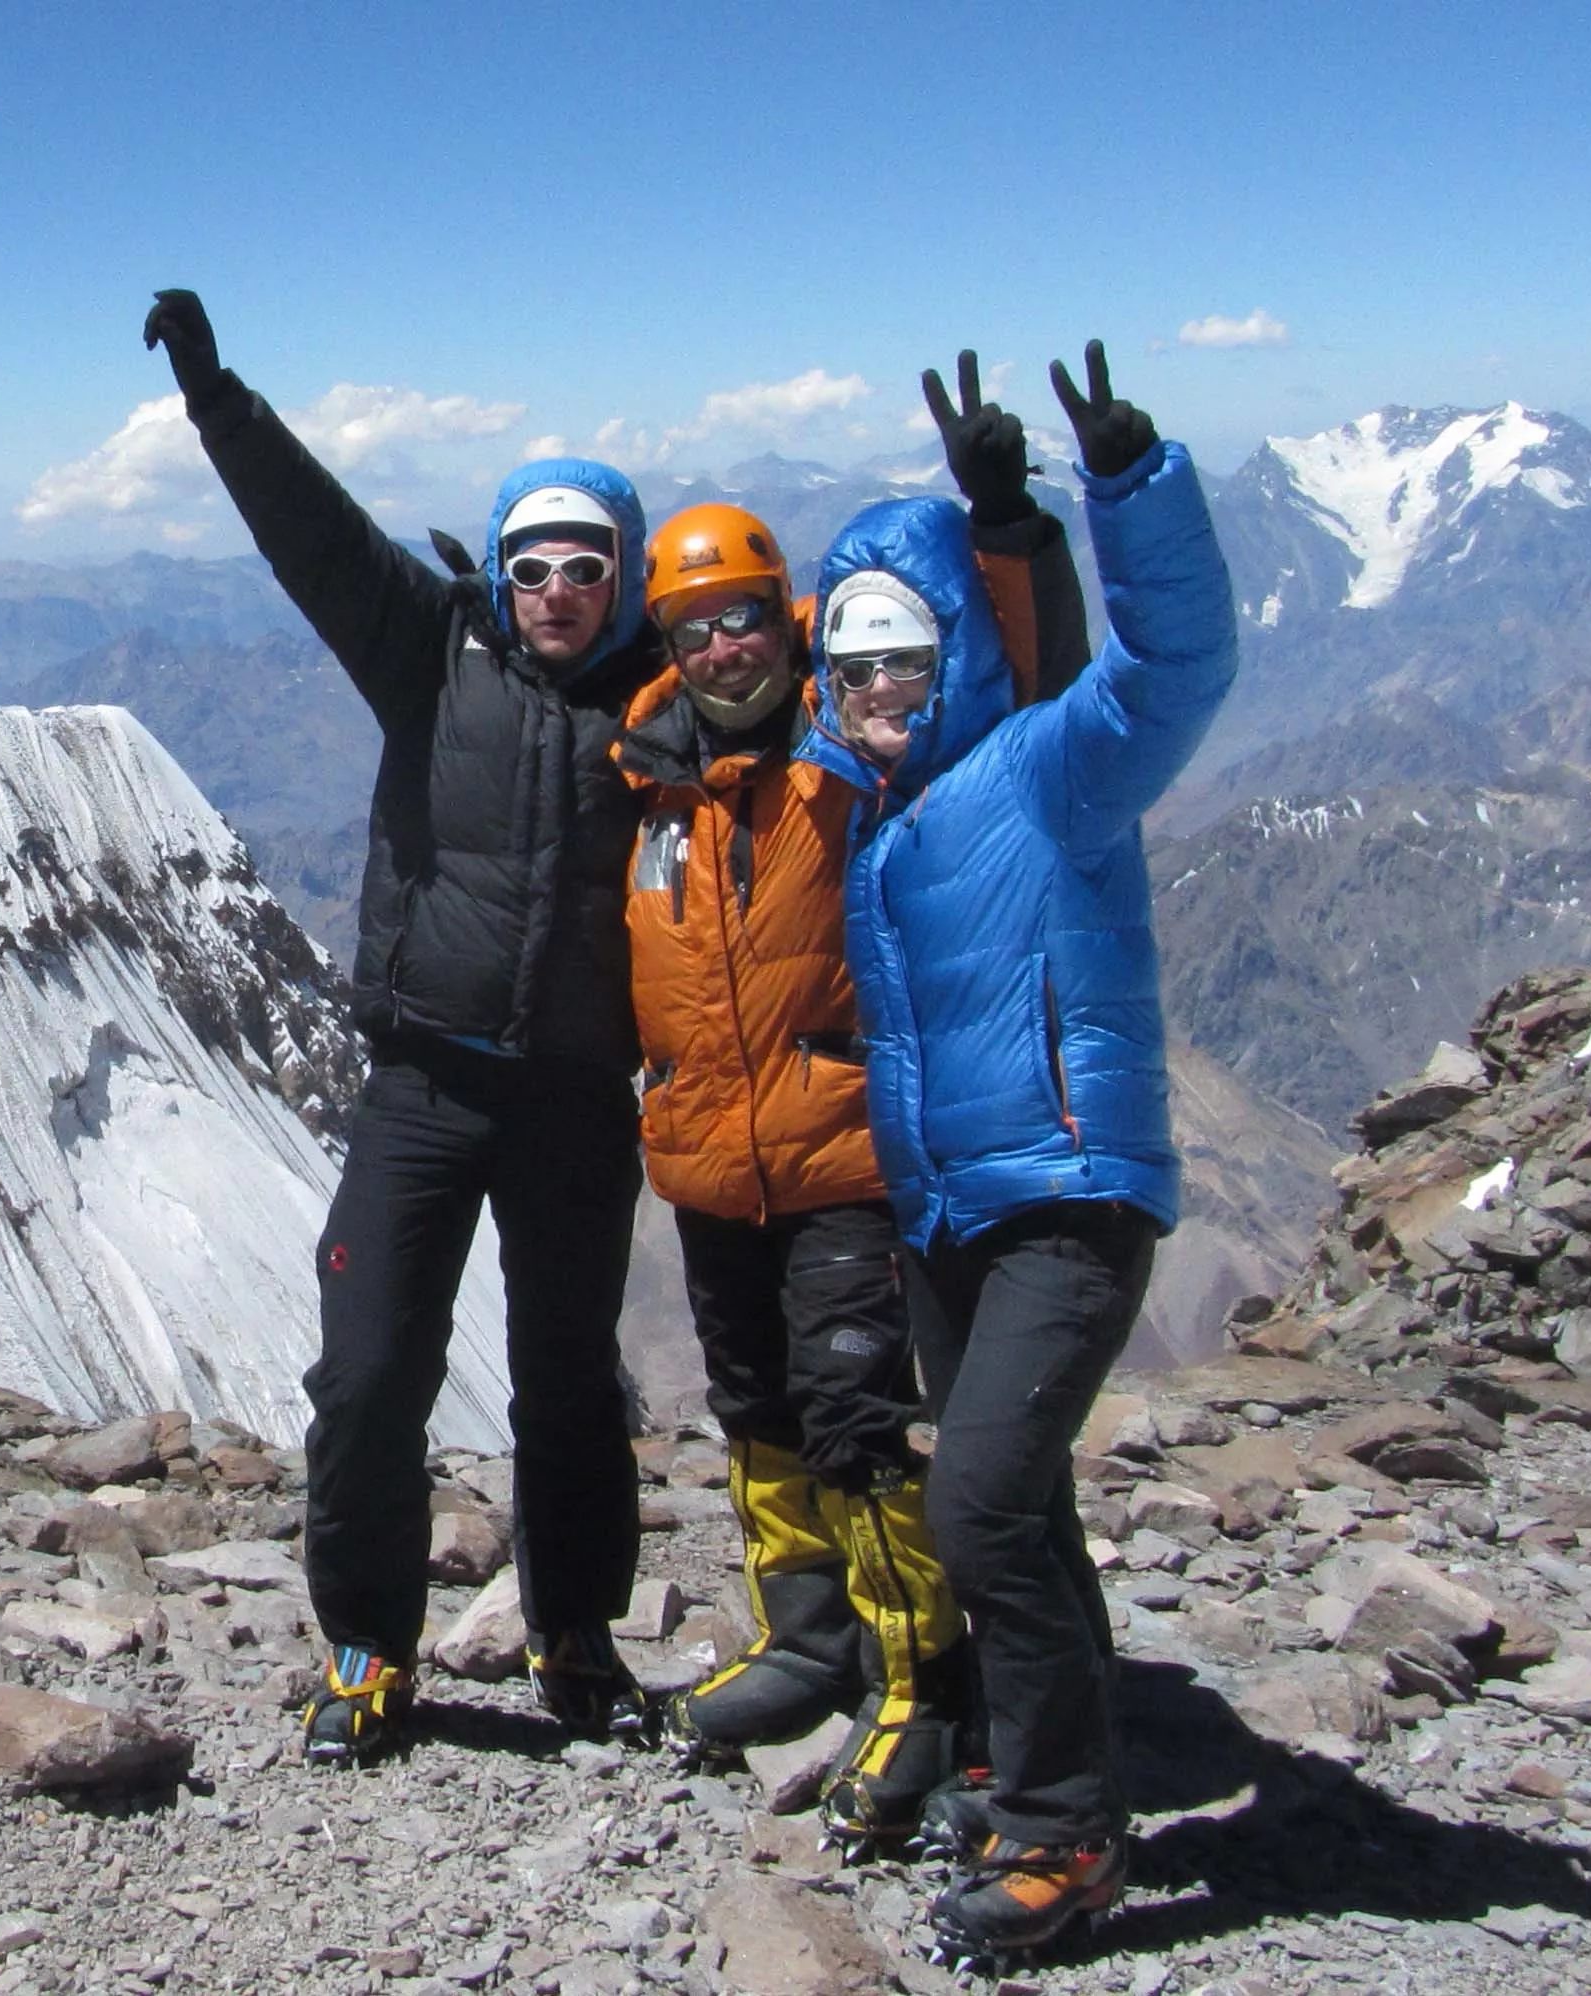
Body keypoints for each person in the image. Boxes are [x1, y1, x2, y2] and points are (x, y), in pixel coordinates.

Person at [141, 288, 662, 1765]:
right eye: (530, 563)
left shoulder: (671, 703)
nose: (554, 586)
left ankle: (574, 1632)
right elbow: (317, 539)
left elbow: (843, 665)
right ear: (496, 575)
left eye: (585, 564)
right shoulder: (432, 653)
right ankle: (370, 1642)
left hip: (576, 1102)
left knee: (569, 1379)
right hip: (422, 1086)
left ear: (623, 578)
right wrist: (221, 404)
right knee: (369, 1373)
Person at [615, 354, 1084, 1854]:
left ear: (786, 620)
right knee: (755, 1409)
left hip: (839, 1154)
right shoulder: (645, 779)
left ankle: (918, 1676)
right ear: (668, 640)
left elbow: (1016, 675)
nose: (724, 645)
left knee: (857, 1416)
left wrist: (1007, 525)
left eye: (746, 615)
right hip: (706, 1163)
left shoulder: (856, 749)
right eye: (694, 626)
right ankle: (806, 1638)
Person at [819, 345, 1234, 1963]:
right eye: (846, 667)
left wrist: (1111, 491)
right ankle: (1010, 1765)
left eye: (903, 659)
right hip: (948, 1217)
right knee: (1018, 1505)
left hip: (1067, 1197)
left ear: (955, 661)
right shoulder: (872, 820)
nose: (873, 691)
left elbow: (1172, 666)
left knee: (981, 1498)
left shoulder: (1045, 770)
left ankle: (1065, 1838)